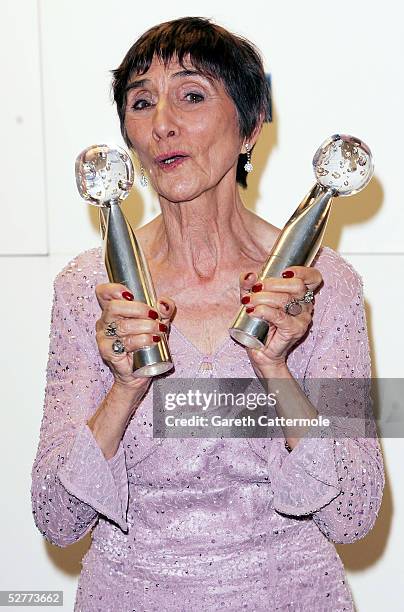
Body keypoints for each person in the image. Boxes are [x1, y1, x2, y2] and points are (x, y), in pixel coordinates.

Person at [31, 17, 385, 611]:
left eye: (191, 95)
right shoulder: (87, 289)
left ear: (250, 127)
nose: (162, 123)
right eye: (141, 102)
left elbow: (355, 513)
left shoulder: (327, 286)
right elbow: (56, 518)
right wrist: (123, 388)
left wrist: (277, 369)